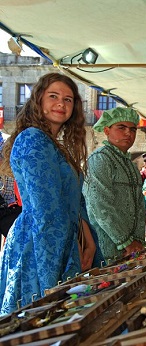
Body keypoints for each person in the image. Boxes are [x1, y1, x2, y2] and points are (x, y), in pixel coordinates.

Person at [0, 73, 103, 315]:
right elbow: (45, 209)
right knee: (40, 319)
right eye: (53, 96)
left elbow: (73, 204)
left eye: (68, 100)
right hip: (40, 245)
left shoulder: (54, 145)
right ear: (38, 101)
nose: (61, 104)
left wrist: (86, 238)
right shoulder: (33, 139)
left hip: (63, 242)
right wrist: (50, 274)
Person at [83, 107, 146, 261]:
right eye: (121, 127)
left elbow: (139, 205)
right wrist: (125, 242)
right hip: (106, 248)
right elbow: (100, 205)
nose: (128, 133)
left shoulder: (130, 164)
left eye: (132, 129)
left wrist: (137, 240)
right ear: (106, 130)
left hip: (130, 250)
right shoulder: (100, 159)